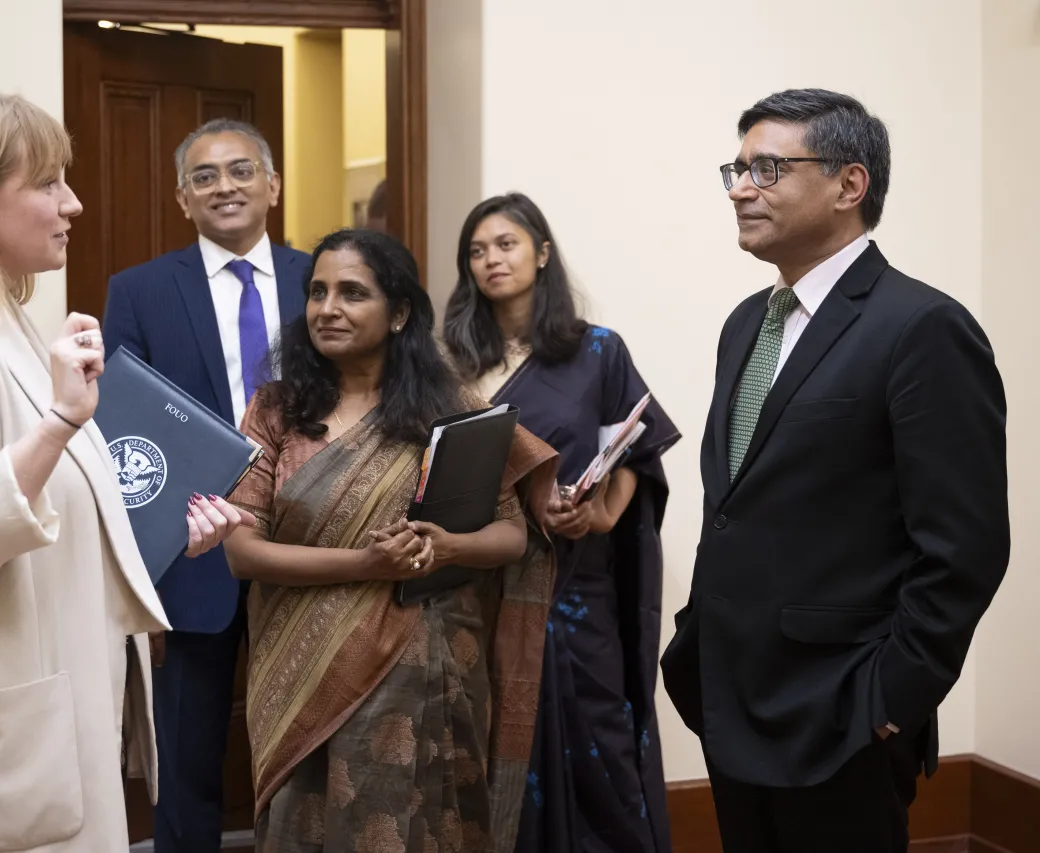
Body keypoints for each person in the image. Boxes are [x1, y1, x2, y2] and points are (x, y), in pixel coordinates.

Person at [0, 91, 251, 853]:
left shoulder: (6, 326)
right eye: (49, 183)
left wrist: (161, 535)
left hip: (50, 728)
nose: (75, 202)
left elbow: (46, 512)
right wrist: (60, 421)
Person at [660, 88, 1009, 853]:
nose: (741, 189)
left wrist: (889, 698)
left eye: (768, 168)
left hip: (840, 714)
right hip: (729, 695)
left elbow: (966, 546)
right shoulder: (747, 323)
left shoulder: (921, 327)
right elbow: (740, 503)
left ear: (849, 185)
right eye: (737, 169)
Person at [224, 228, 559, 852]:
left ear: (399, 312)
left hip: (422, 662)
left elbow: (512, 535)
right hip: (298, 667)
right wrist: (367, 562)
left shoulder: (451, 407)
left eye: (353, 293)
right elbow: (243, 551)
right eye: (318, 292)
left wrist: (448, 547)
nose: (328, 308)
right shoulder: (274, 409)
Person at [442, 193, 681, 853]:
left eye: (507, 243)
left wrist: (599, 514)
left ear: (542, 252)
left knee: (600, 737)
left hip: (578, 591)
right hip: (485, 586)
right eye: (477, 250)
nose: (491, 259)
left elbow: (637, 445)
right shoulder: (455, 362)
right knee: (494, 746)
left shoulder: (598, 351)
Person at [102, 117, 311, 853]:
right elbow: (123, 426)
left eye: (242, 170)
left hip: (307, 544)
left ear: (273, 185)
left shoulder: (320, 279)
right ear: (183, 198)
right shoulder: (139, 290)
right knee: (188, 753)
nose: (225, 185)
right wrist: (152, 550)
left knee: (309, 746)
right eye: (205, 175)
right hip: (193, 550)